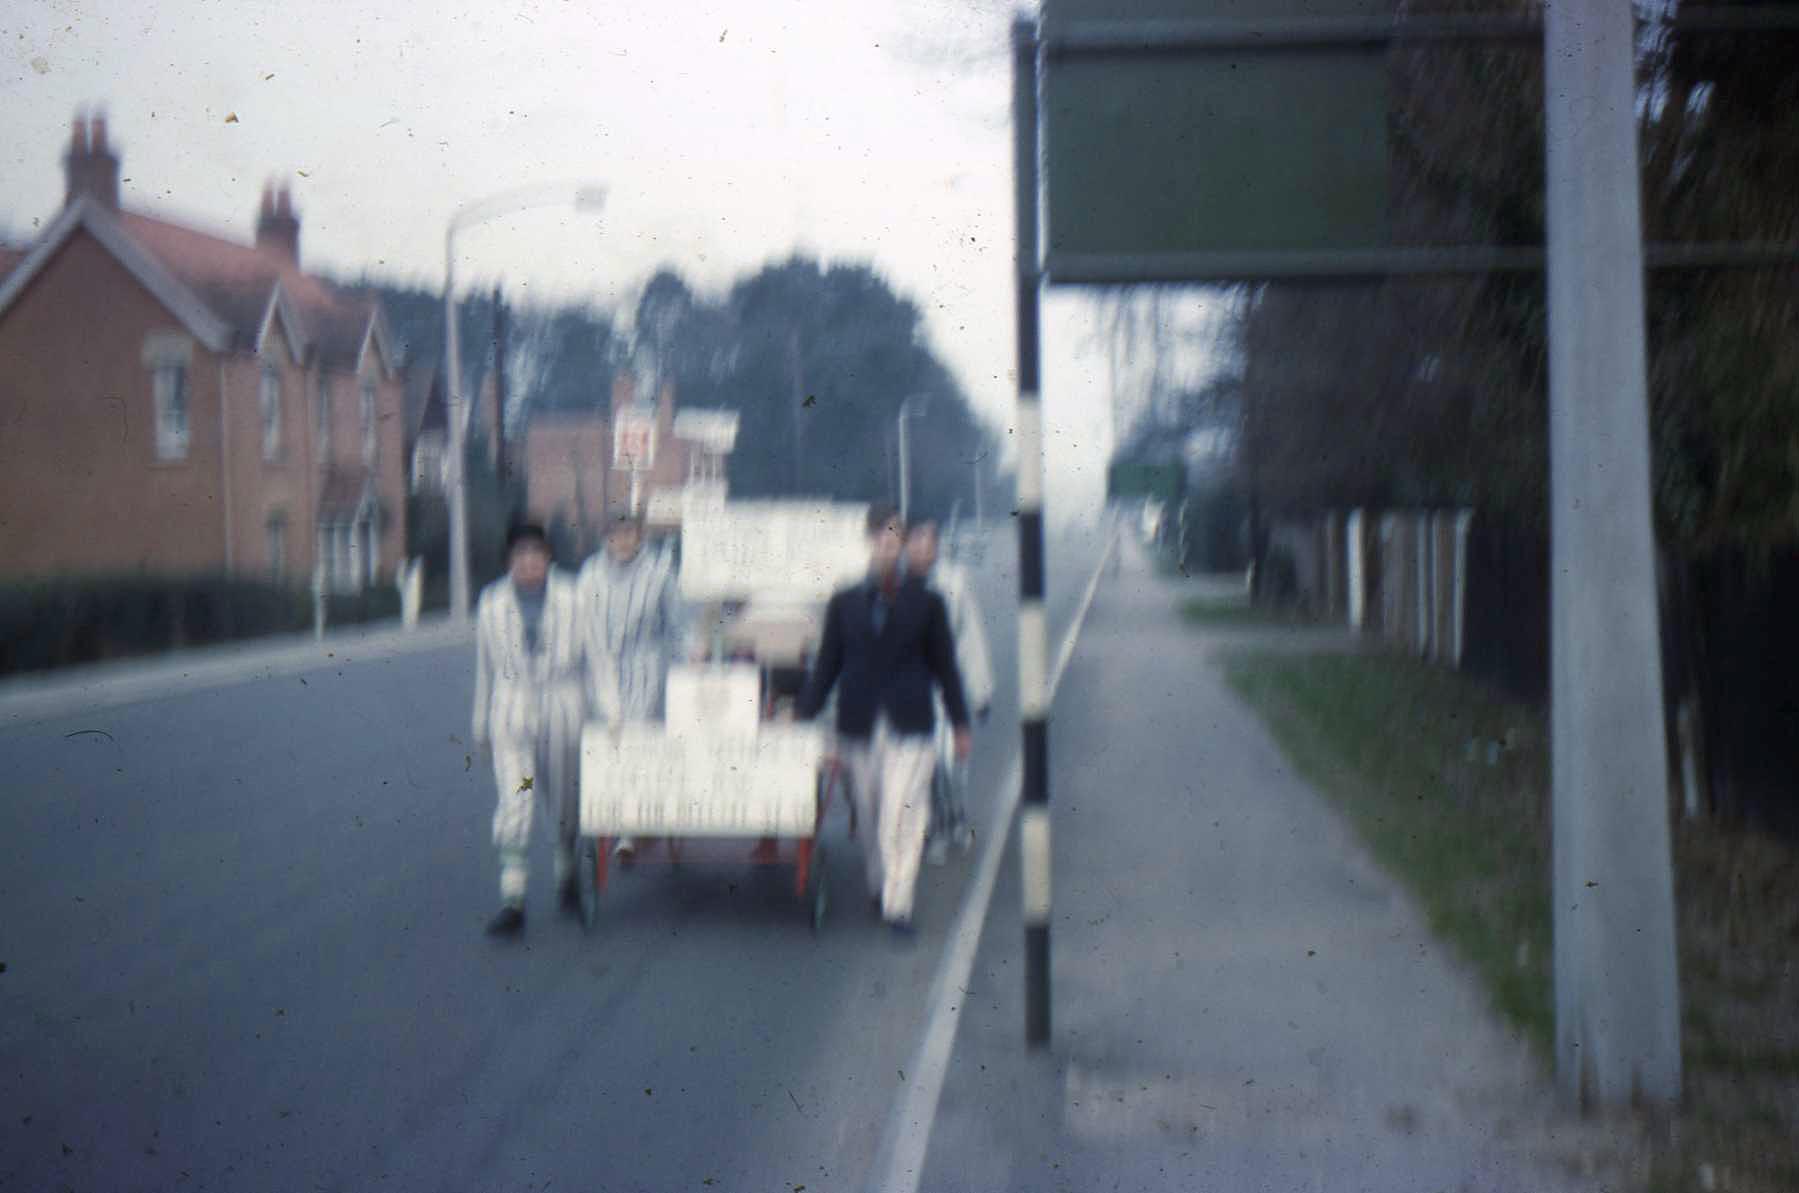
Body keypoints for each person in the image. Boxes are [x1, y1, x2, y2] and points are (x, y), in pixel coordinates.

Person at [796, 504, 971, 934]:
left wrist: (959, 722)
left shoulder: (928, 602)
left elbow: (946, 666)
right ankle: (880, 885)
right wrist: (803, 714)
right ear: (869, 541)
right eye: (880, 536)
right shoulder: (844, 602)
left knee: (901, 814)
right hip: (858, 726)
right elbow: (827, 665)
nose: (888, 544)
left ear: (904, 543)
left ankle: (898, 905)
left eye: (895, 536)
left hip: (910, 725)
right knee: (872, 816)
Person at [471, 522, 588, 938]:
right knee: (518, 797)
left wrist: (611, 714)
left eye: (536, 553)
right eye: (520, 554)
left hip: (561, 715)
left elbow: (598, 658)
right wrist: (481, 725)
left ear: (548, 557)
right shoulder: (492, 604)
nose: (528, 562)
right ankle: (513, 898)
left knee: (564, 803)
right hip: (514, 719)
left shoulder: (574, 598)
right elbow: (485, 669)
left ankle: (567, 875)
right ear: (509, 560)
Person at [576, 510, 694, 862]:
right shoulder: (590, 574)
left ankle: (629, 829)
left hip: (645, 667)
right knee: (607, 740)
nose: (623, 541)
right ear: (606, 537)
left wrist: (691, 656)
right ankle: (613, 813)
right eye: (616, 533)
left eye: (629, 533)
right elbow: (579, 625)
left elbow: (676, 625)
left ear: (639, 536)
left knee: (637, 738)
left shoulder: (658, 572)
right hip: (602, 669)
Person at [905, 519, 994, 864]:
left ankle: (956, 819)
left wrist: (980, 691)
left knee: (948, 763)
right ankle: (935, 828)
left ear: (937, 546)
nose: (922, 547)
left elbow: (971, 637)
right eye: (916, 540)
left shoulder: (953, 583)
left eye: (928, 541)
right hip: (910, 690)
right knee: (921, 767)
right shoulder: (896, 584)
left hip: (944, 689)